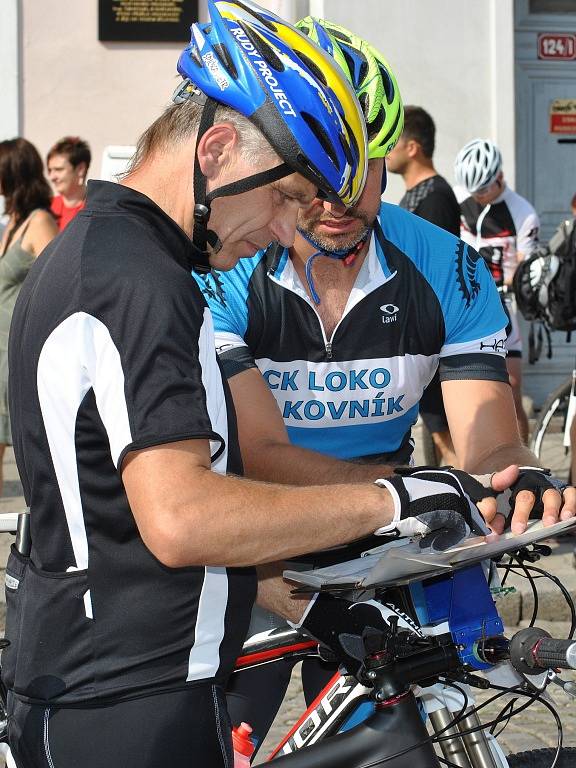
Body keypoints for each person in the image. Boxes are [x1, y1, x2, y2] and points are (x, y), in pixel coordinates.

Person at [4, 3, 498, 767]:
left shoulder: (104, 254)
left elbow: (132, 518)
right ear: (220, 148)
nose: (283, 231)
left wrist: (317, 608)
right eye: (286, 199)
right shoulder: (138, 280)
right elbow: (180, 516)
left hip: (114, 684)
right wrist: (395, 498)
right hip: (131, 702)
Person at [196, 18, 574, 750]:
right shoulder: (234, 266)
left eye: (363, 166)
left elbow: (488, 429)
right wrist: (414, 489)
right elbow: (263, 453)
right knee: (208, 741)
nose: (339, 193)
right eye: (317, 165)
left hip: (378, 543)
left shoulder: (444, 265)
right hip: (253, 543)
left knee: (398, 748)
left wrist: (514, 472)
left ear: (391, 161)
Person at [386, 105, 461, 466]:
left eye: (394, 141)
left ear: (413, 147)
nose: (385, 150)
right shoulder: (415, 194)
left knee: (447, 436)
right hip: (415, 328)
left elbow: (436, 268)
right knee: (435, 428)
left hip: (432, 330)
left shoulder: (435, 196)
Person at [454, 138, 540, 443]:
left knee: (512, 387)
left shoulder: (523, 213)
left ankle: (528, 463)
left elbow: (523, 269)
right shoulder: (459, 201)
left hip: (503, 304)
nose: (477, 197)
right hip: (465, 303)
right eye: (472, 191)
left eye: (483, 190)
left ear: (499, 178)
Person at [0, 138, 58, 496]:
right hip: (1, 350)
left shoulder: (39, 221)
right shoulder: (15, 221)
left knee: (22, 439)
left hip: (16, 351)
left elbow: (58, 280)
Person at [47, 136, 91, 230]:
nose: (52, 177)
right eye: (50, 170)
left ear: (80, 169)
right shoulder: (48, 207)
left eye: (59, 169)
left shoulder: (94, 208)